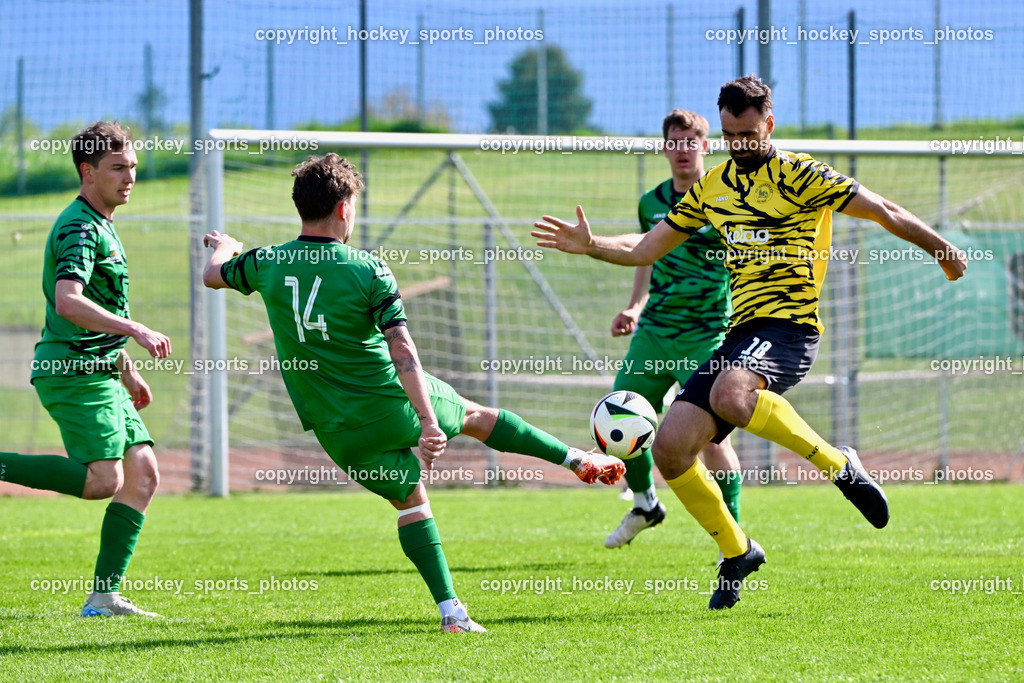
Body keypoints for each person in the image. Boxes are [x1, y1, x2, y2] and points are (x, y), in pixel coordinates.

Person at [533, 74, 968, 609]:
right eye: (730, 135)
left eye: (748, 134)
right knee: (671, 450)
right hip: (742, 334)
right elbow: (647, 249)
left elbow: (884, 210)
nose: (740, 145)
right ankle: (737, 551)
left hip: (789, 329)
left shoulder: (801, 175)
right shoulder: (711, 187)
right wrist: (593, 244)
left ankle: (839, 465)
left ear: (769, 123)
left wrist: (939, 247)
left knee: (731, 396)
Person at [202, 153, 625, 633]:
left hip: (334, 429)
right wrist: (426, 420)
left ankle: (451, 612)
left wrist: (224, 246)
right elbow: (401, 348)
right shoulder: (367, 268)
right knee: (473, 415)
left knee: (411, 502)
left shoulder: (266, 263)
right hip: (390, 403)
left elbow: (213, 275)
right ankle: (576, 459)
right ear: (344, 209)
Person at [0, 121, 172, 617]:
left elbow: (94, 309)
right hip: (72, 372)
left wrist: (124, 367)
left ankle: (103, 599)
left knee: (143, 474)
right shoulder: (79, 226)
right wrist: (136, 329)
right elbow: (69, 302)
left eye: (133, 167)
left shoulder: (101, 223)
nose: (129, 177)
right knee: (103, 481)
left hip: (99, 369)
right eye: (118, 168)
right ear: (87, 171)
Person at [604, 109, 743, 550]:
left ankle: (734, 538)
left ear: (705, 146)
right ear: (665, 148)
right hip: (655, 331)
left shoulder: (726, 198)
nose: (683, 150)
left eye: (691, 142)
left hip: (707, 335)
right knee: (619, 421)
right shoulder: (651, 203)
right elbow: (646, 253)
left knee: (712, 443)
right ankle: (646, 504)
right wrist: (633, 305)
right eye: (675, 142)